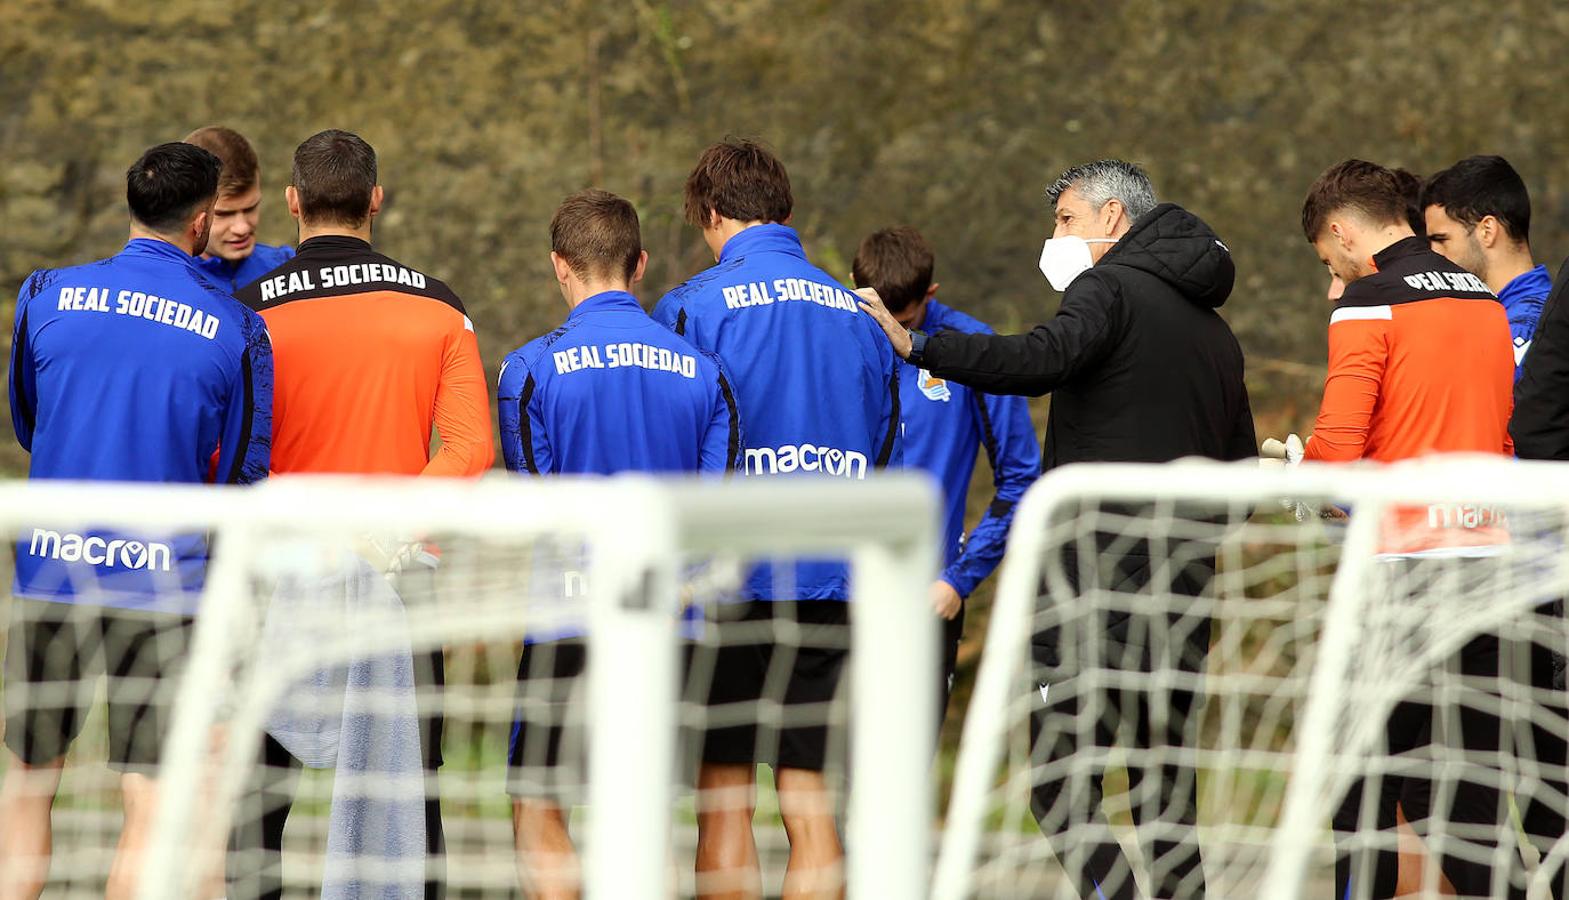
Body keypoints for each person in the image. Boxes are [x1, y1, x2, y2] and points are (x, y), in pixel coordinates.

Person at [859, 159, 1254, 900]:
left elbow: (1041, 357)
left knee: (1057, 784)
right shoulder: (1216, 334)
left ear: (1111, 218)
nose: (1055, 236)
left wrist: (919, 347)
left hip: (1093, 586)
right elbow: (1238, 477)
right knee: (1163, 792)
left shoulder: (1106, 288)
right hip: (1183, 593)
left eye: (1065, 221)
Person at [0, 142, 272, 900]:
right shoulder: (236, 327)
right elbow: (241, 476)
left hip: (50, 569)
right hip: (164, 585)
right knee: (150, 801)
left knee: (25, 784)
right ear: (199, 222)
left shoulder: (45, 293)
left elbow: (30, 421)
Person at [228, 129, 493, 900]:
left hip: (283, 572)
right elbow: (471, 449)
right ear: (376, 199)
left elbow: (233, 454)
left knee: (257, 800)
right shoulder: (439, 308)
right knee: (406, 796)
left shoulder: (246, 314)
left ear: (291, 202)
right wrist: (385, 527)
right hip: (398, 575)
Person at [652, 139, 901, 900]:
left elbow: (674, 449)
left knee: (723, 804)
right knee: (811, 802)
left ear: (710, 216)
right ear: (787, 214)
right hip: (830, 577)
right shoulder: (862, 318)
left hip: (722, 579)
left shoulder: (692, 306)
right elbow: (883, 442)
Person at [498, 189, 740, 899]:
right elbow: (713, 510)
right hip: (670, 621)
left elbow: (540, 502)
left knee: (537, 796)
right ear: (638, 264)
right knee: (648, 811)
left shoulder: (528, 369)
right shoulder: (705, 372)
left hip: (569, 615)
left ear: (558, 266)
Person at [1297, 159, 1518, 899]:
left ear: (1338, 231)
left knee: (1361, 779)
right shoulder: (1484, 298)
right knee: (1468, 796)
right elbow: (1503, 438)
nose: (1331, 273)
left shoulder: (1367, 303)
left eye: (1326, 259)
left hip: (1401, 568)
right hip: (1488, 562)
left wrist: (1303, 479)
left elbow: (1336, 448)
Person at [849, 226, 1039, 727]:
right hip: (837, 595)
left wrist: (959, 579)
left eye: (903, 321)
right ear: (852, 286)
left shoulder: (974, 350)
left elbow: (1022, 479)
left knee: (906, 777)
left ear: (930, 295)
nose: (889, 332)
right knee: (822, 783)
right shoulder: (828, 345)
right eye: (876, 317)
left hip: (926, 598)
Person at [1422, 155, 1548, 379]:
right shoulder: (1504, 316)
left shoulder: (1523, 328)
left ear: (1487, 231)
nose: (1432, 254)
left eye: (1441, 239)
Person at [183, 126, 295, 291]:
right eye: (223, 214)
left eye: (250, 208)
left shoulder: (287, 268)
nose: (242, 228)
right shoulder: (160, 286)